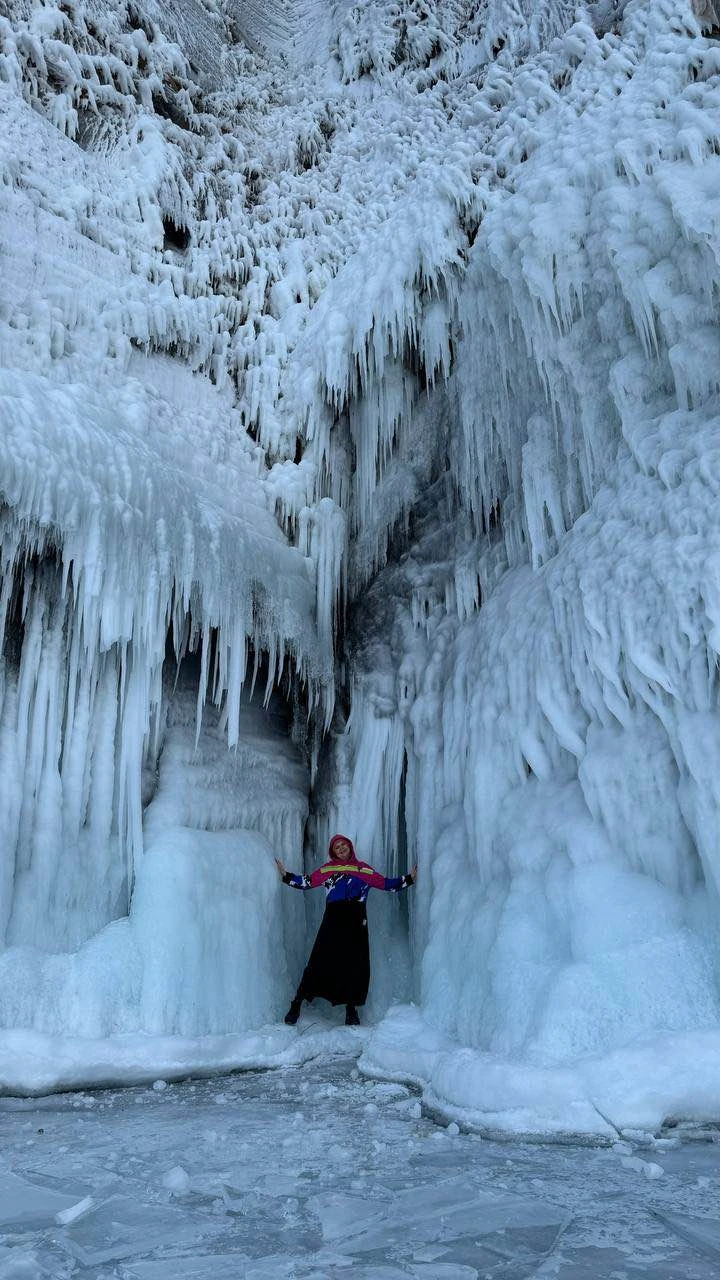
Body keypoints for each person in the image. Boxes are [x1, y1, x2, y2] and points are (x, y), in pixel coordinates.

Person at [275, 834, 417, 1027]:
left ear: (350, 847)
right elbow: (306, 882)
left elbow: (386, 884)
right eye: (337, 847)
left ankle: (351, 1009)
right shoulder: (327, 870)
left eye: (343, 845)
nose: (341, 848)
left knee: (355, 964)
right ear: (333, 852)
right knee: (318, 960)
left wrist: (409, 879)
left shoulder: (364, 869)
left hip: (357, 921)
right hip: (333, 919)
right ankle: (297, 1004)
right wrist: (286, 876)